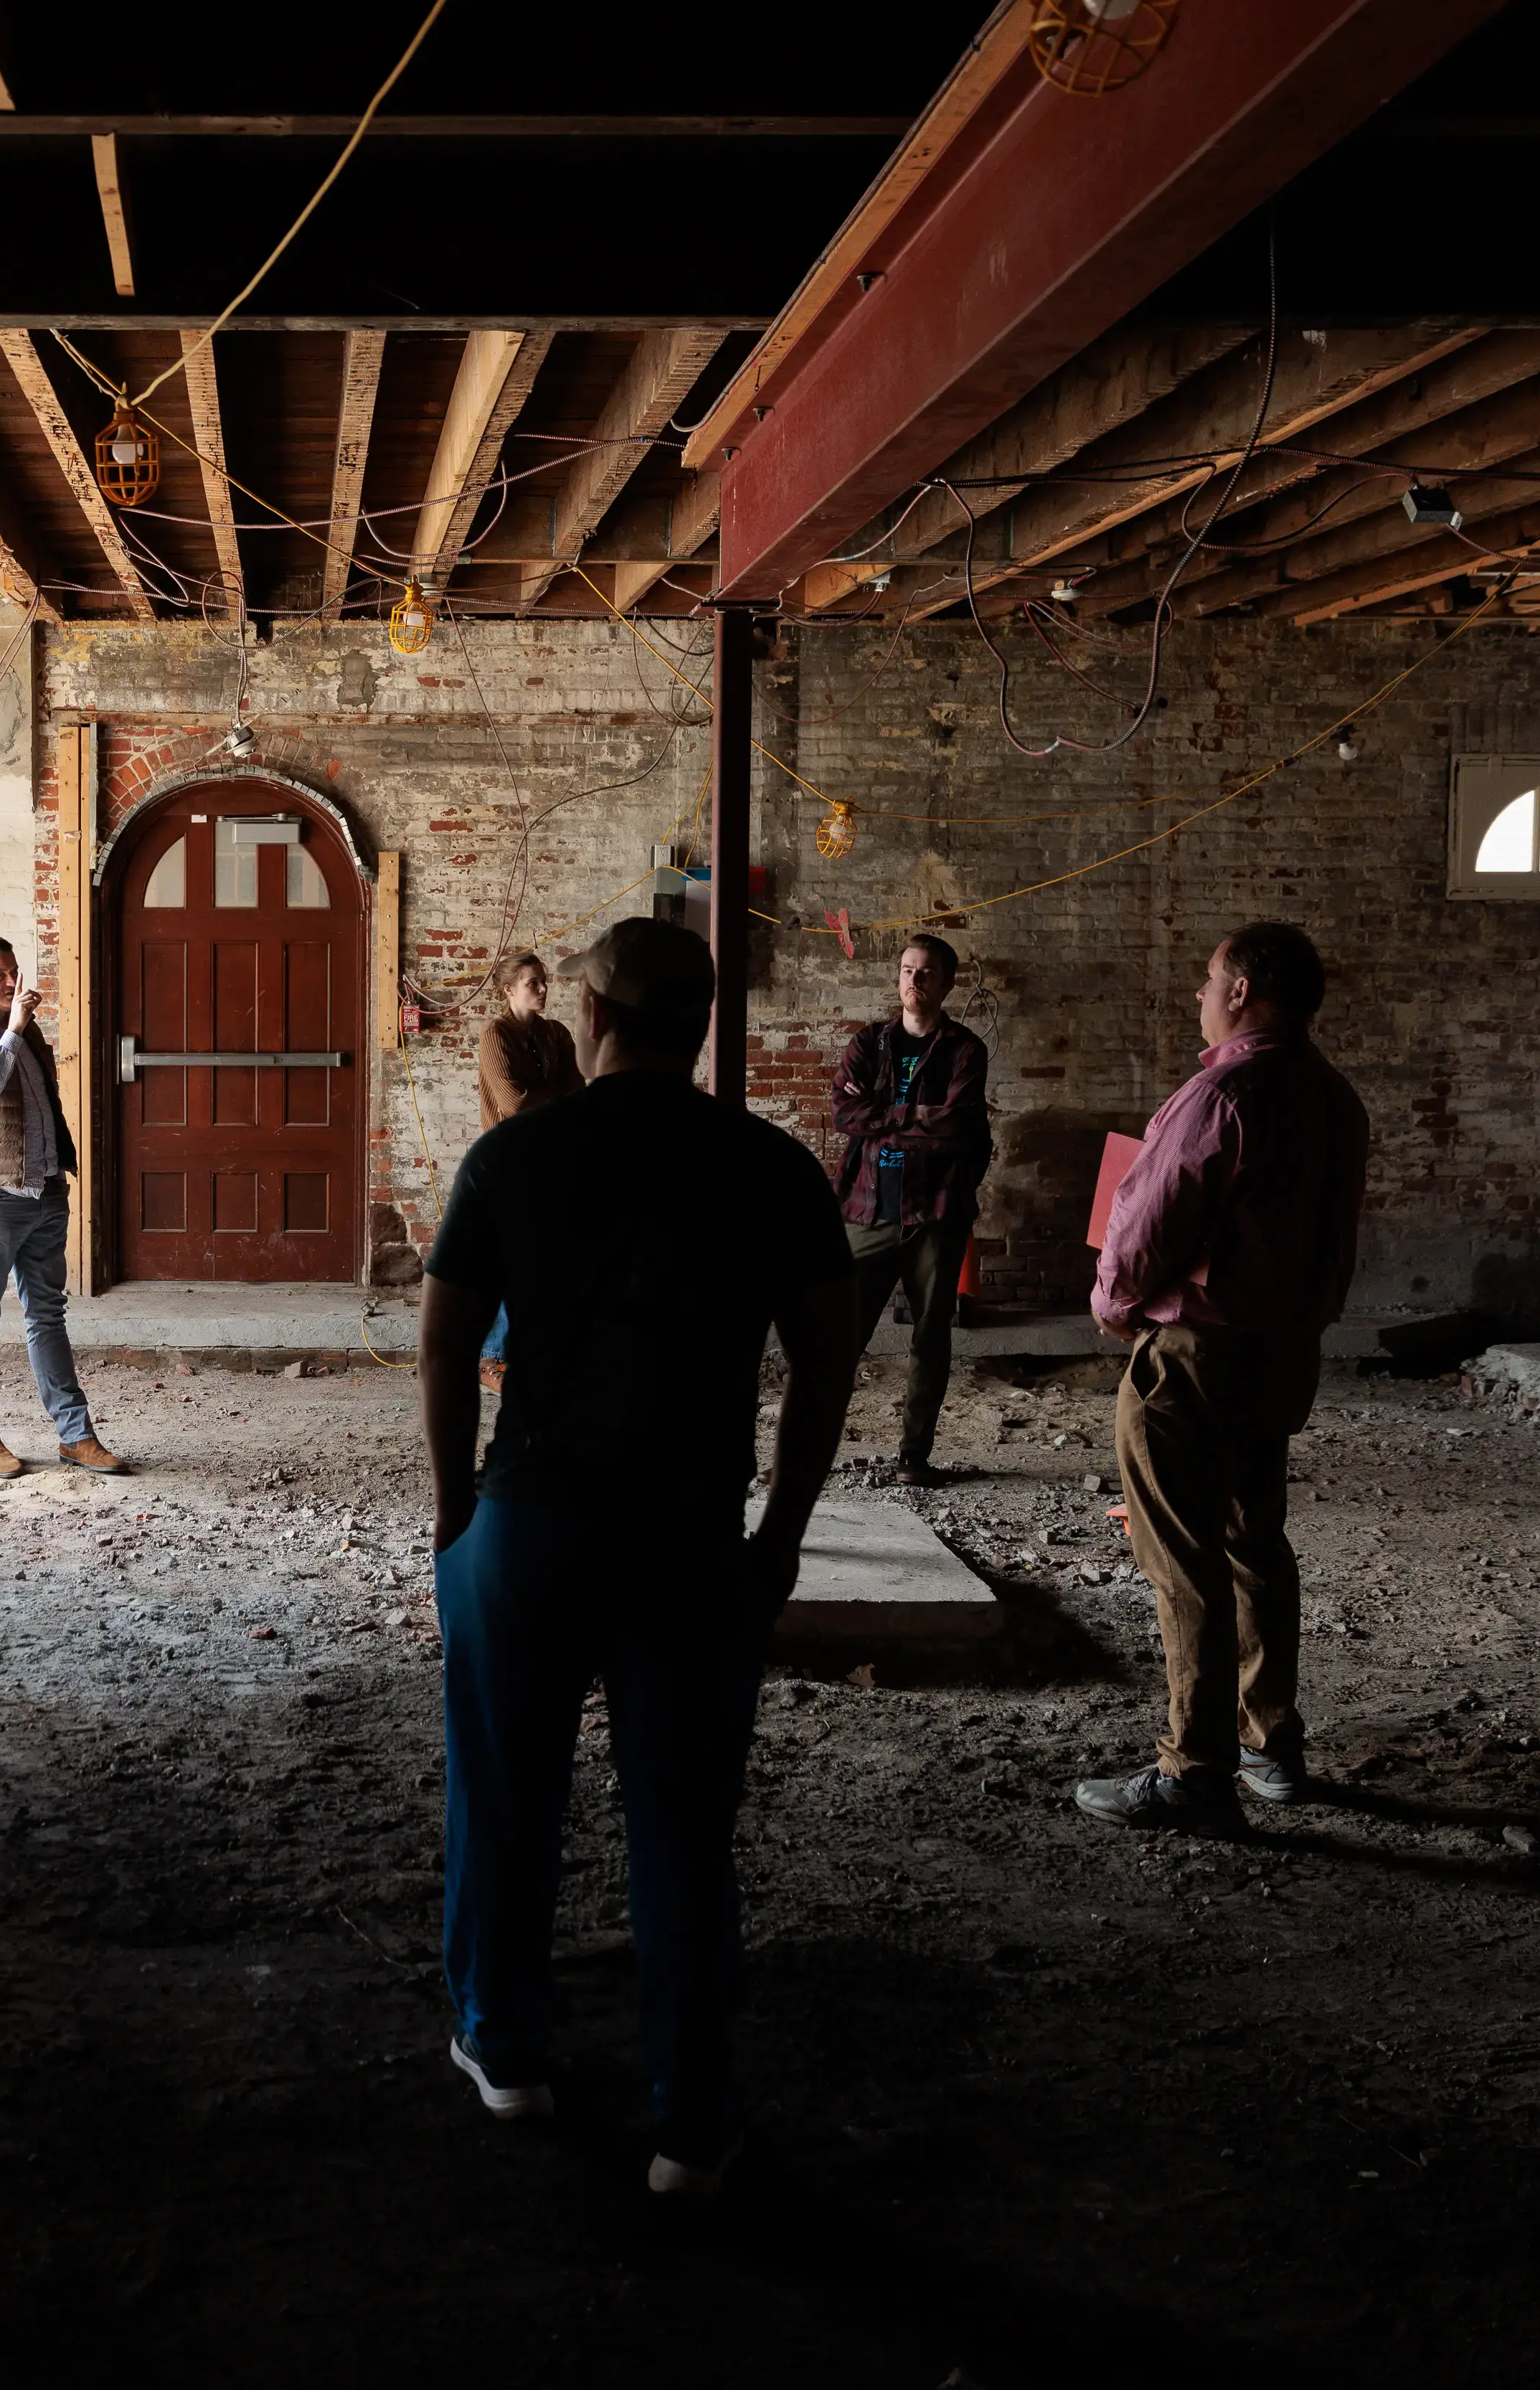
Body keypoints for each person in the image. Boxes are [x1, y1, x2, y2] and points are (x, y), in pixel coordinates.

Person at [416, 916, 860, 2196]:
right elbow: (826, 1355)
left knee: (505, 1796)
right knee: (680, 1827)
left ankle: (506, 2050)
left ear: (597, 1018)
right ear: (704, 1023)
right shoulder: (768, 1165)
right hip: (684, 1531)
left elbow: (448, 1343)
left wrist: (457, 1512)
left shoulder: (515, 1155)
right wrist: (781, 1528)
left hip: (531, 1515)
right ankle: (692, 2121)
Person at [1077, 922, 1369, 1834]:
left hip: (1195, 1356)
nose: (1198, 996)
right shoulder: (1334, 1097)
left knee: (1182, 1559)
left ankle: (1194, 1770)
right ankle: (1269, 1743)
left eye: (1209, 981)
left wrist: (1115, 1303)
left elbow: (1152, 1221)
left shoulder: (1225, 1093)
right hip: (1283, 1356)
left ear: (1242, 991)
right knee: (1256, 1545)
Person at [0, 932, 126, 1480]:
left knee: (48, 1317)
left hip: (43, 1192)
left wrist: (58, 1173)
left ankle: (76, 1435)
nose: (14, 982)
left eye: (14, 971)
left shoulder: (28, 1032)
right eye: (0, 975)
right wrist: (13, 1030)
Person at [830, 931, 992, 1482]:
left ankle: (912, 1458)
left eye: (924, 973)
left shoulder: (965, 1050)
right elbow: (845, 1115)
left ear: (946, 983)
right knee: (840, 1337)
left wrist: (886, 1116)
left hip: (936, 1212)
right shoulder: (868, 1042)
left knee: (930, 1338)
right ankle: (813, 1449)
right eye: (905, 970)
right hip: (869, 1208)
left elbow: (956, 1127)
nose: (912, 980)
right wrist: (915, 1115)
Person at [470, 949, 583, 1391]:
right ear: (509, 990)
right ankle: (491, 1359)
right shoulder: (495, 1035)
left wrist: (550, 1096)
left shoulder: (557, 1033)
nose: (542, 988)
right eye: (532, 982)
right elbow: (513, 1104)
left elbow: (580, 1096)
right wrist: (556, 1095)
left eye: (543, 981)